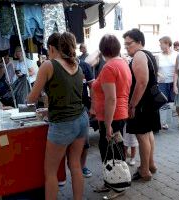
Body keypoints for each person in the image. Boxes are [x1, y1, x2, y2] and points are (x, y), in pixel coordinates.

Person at [27, 32, 87, 200]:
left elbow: (32, 98)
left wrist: (28, 98)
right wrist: (50, 109)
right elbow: (70, 96)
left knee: (50, 172)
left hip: (62, 124)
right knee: (75, 165)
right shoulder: (77, 65)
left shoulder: (48, 65)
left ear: (52, 48)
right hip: (81, 119)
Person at [91, 34, 131, 199]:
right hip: (118, 114)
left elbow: (111, 98)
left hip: (112, 117)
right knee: (112, 152)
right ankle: (111, 182)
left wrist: (107, 125)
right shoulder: (122, 63)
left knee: (112, 153)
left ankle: (118, 186)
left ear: (102, 50)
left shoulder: (109, 67)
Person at [123, 28, 160, 181]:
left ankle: (144, 170)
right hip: (149, 102)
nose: (126, 47)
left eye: (128, 44)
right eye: (125, 44)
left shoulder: (139, 55)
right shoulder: (148, 54)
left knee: (142, 137)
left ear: (139, 42)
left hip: (142, 103)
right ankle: (151, 164)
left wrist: (132, 105)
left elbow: (142, 82)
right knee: (148, 133)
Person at [156, 36, 179, 130]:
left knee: (172, 101)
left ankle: (168, 120)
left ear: (167, 44)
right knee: (163, 102)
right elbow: (155, 69)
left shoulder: (176, 54)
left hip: (173, 81)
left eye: (161, 43)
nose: (160, 45)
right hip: (162, 82)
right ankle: (163, 122)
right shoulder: (158, 56)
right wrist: (159, 75)